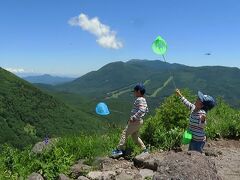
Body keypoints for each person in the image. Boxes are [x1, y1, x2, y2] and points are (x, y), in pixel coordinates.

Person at [112, 83, 149, 157]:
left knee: (124, 134)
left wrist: (134, 117)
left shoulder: (139, 99)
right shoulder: (143, 99)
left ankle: (119, 150)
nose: (134, 93)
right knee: (135, 136)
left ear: (138, 91)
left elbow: (142, 109)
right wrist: (139, 116)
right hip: (139, 121)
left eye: (134, 91)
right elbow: (146, 109)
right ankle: (144, 149)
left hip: (135, 121)